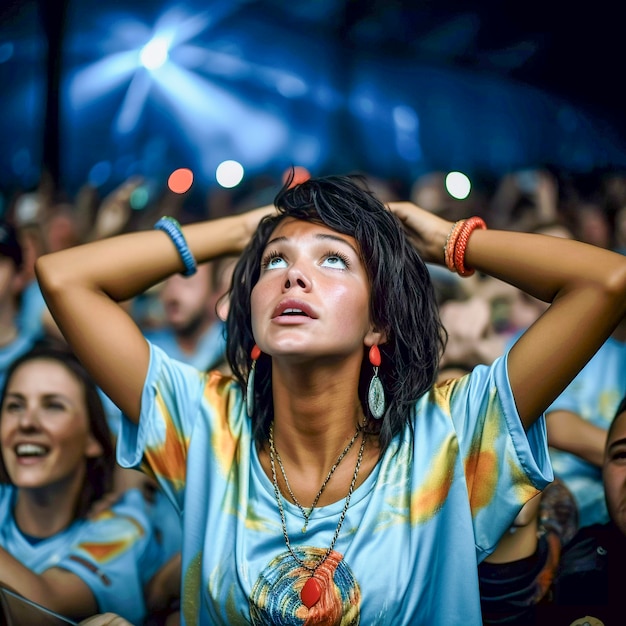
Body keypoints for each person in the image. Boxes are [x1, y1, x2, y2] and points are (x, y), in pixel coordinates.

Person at [34, 173, 626, 625]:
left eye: (333, 259)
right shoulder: (206, 426)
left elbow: (604, 282)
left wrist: (449, 240)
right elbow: (65, 278)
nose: (294, 276)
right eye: (275, 263)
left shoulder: (451, 437)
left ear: (379, 323)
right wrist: (250, 228)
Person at [0, 342, 163, 624]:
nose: (26, 422)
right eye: (15, 405)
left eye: (53, 406)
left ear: (92, 439)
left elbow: (48, 605)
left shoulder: (122, 527)